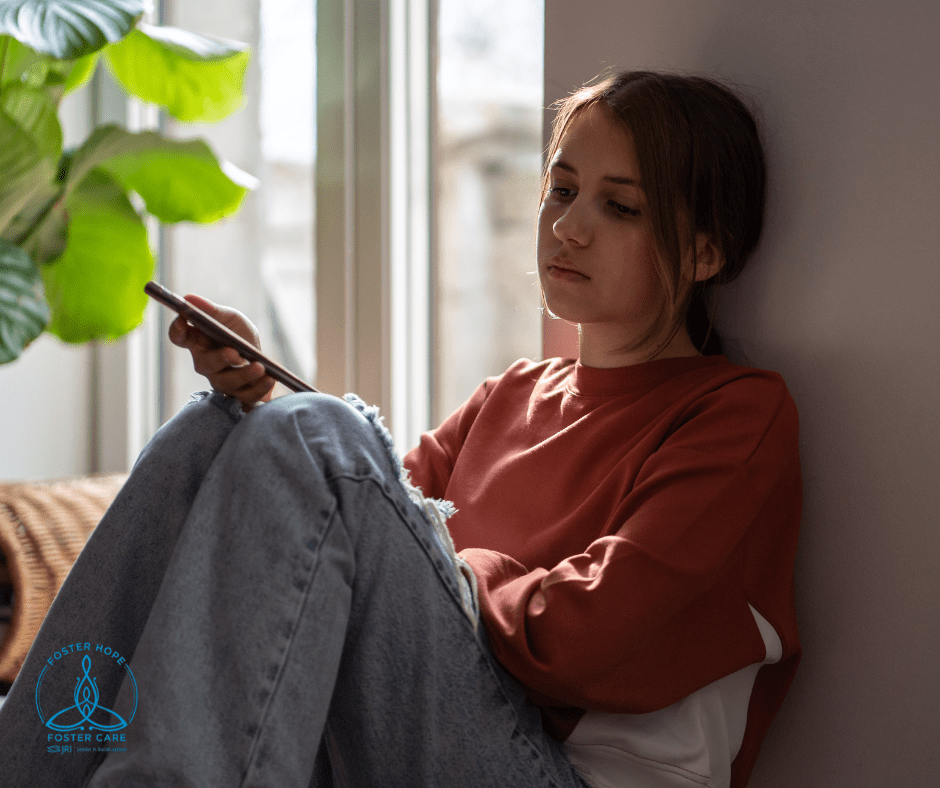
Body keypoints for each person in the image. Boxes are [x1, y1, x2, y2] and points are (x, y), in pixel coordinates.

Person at [0, 70, 801, 788]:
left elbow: (588, 642)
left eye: (619, 207)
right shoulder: (510, 396)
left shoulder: (736, 413)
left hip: (569, 775)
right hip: (435, 735)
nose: (569, 227)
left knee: (322, 438)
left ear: (704, 252)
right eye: (561, 191)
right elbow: (357, 539)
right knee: (209, 433)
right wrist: (257, 410)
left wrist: (447, 558)